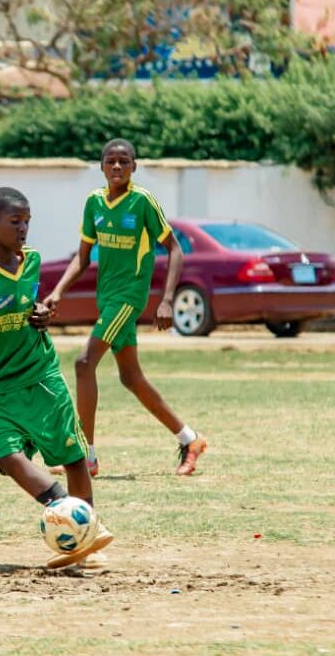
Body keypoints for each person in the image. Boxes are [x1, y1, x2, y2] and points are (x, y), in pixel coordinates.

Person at [0, 187, 113, 568]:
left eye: (27, 221)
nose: (24, 228)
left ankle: (86, 540)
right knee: (8, 458)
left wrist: (41, 312)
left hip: (42, 375)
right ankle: (75, 521)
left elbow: (29, 308)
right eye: (15, 221)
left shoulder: (33, 260)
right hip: (0, 387)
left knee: (73, 456)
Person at [44, 139, 209, 477]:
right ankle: (190, 439)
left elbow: (174, 249)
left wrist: (166, 299)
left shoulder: (143, 201)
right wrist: (58, 291)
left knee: (83, 363)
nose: (117, 167)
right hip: (106, 297)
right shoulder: (93, 203)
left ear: (135, 166)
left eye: (124, 161)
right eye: (110, 161)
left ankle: (85, 457)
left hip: (128, 297)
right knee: (131, 378)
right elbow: (82, 256)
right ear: (101, 166)